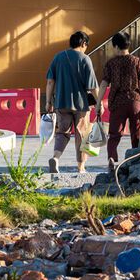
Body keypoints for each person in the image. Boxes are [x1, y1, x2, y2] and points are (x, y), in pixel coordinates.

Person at [44, 30, 100, 175]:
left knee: (62, 133)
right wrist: (99, 102)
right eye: (86, 45)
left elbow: (50, 81)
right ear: (83, 43)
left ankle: (55, 158)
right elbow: (92, 86)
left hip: (61, 103)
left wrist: (48, 101)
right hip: (81, 104)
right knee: (82, 134)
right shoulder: (85, 59)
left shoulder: (58, 57)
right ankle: (81, 167)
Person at [99, 32, 140, 166]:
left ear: (116, 46)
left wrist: (98, 103)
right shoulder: (137, 61)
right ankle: (136, 160)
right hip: (135, 101)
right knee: (136, 133)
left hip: (117, 102)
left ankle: (111, 157)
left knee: (114, 133)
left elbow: (104, 84)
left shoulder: (111, 63)